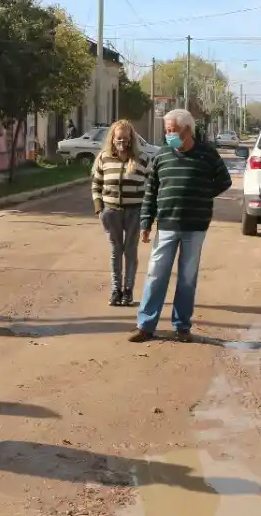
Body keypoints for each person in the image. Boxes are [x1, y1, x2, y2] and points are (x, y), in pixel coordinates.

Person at [130, 109, 232, 343]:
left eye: (172, 131)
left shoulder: (208, 155)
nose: (168, 136)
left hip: (195, 227)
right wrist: (146, 222)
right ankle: (146, 325)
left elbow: (224, 181)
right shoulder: (162, 156)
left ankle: (182, 326)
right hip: (166, 225)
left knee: (187, 277)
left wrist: (202, 195)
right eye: (166, 131)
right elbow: (151, 191)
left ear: (187, 130)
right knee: (156, 275)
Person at [92, 119, 150, 306]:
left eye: (126, 139)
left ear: (131, 139)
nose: (122, 143)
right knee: (116, 250)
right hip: (111, 212)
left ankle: (128, 291)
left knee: (130, 251)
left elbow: (151, 188)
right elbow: (96, 185)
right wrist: (99, 209)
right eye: (119, 139)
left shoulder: (142, 159)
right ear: (112, 138)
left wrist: (147, 214)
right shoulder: (104, 157)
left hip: (135, 212)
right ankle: (116, 290)